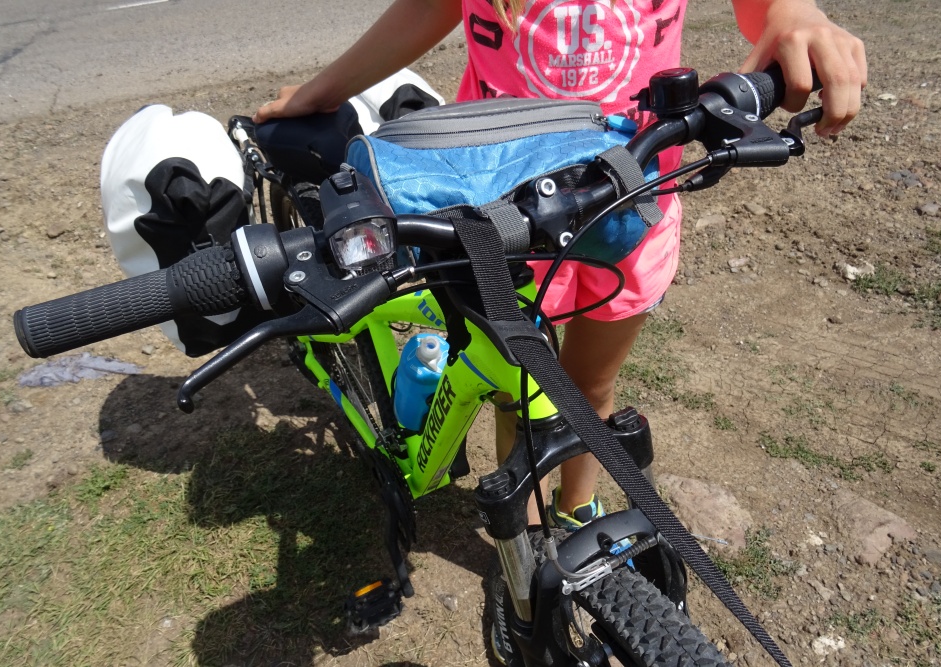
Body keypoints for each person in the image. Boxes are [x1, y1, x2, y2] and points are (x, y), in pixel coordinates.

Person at [253, 0, 866, 528]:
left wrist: (796, 13)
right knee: (518, 387)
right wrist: (320, 94)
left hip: (629, 200)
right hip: (498, 202)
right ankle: (527, 528)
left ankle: (576, 509)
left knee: (591, 386)